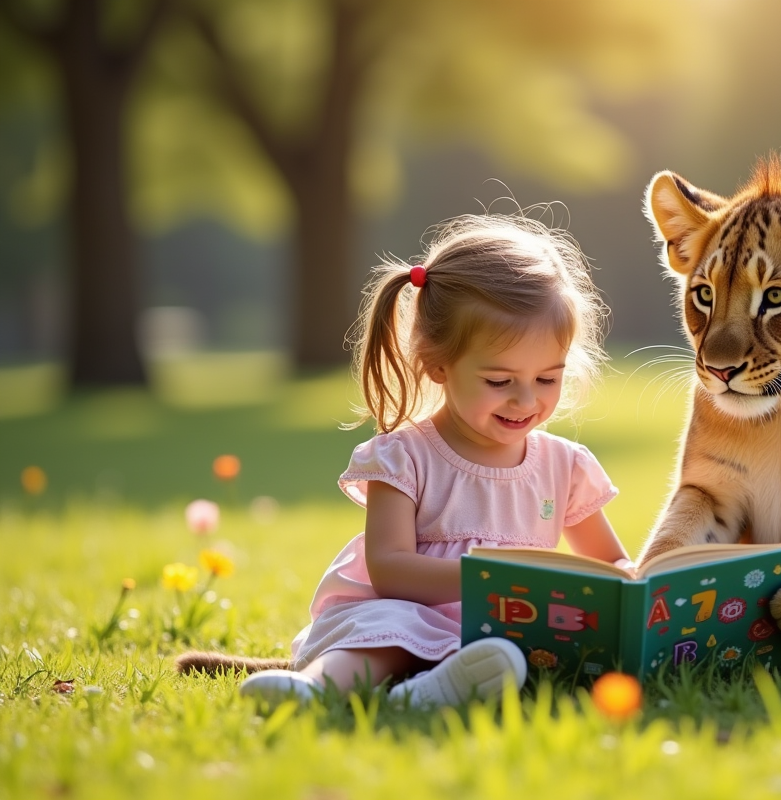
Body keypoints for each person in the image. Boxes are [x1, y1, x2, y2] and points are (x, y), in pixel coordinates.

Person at [239, 214, 630, 708]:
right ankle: (316, 687)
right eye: (499, 381)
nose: (526, 400)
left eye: (548, 379)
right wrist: (493, 579)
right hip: (405, 616)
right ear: (437, 364)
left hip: (507, 631)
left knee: (519, 649)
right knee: (387, 630)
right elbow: (390, 570)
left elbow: (611, 561)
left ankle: (428, 692)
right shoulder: (404, 457)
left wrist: (631, 585)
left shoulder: (564, 466)